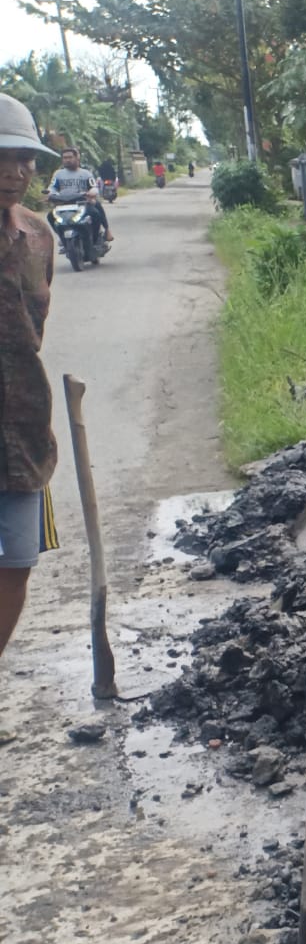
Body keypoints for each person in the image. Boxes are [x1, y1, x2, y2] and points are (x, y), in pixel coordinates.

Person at [0, 94, 60, 656]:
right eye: (3, 157)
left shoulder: (40, 237)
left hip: (21, 432)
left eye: (26, 159)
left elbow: (35, 326)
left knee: (16, 563)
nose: (16, 171)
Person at [46, 147, 112, 245]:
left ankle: (100, 235)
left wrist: (92, 192)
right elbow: (53, 187)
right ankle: (62, 237)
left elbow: (93, 186)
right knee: (50, 216)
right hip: (63, 204)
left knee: (96, 213)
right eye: (65, 158)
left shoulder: (86, 174)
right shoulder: (58, 174)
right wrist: (50, 193)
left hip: (82, 203)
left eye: (70, 157)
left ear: (77, 158)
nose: (67, 160)